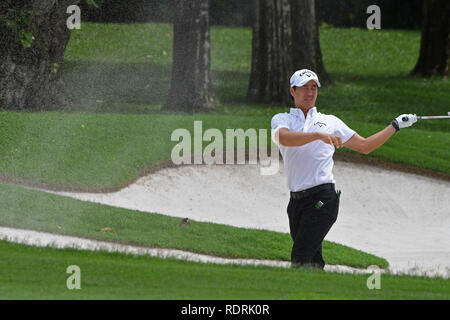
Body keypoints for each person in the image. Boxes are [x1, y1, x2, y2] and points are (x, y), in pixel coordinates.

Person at [271, 69, 417, 269]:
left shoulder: (330, 121)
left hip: (323, 198)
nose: (310, 92)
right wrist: (317, 135)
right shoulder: (282, 119)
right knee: (312, 261)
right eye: (305, 87)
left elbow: (365, 146)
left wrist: (395, 125)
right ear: (292, 90)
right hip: (296, 202)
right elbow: (284, 138)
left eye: (314, 87)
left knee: (300, 256)